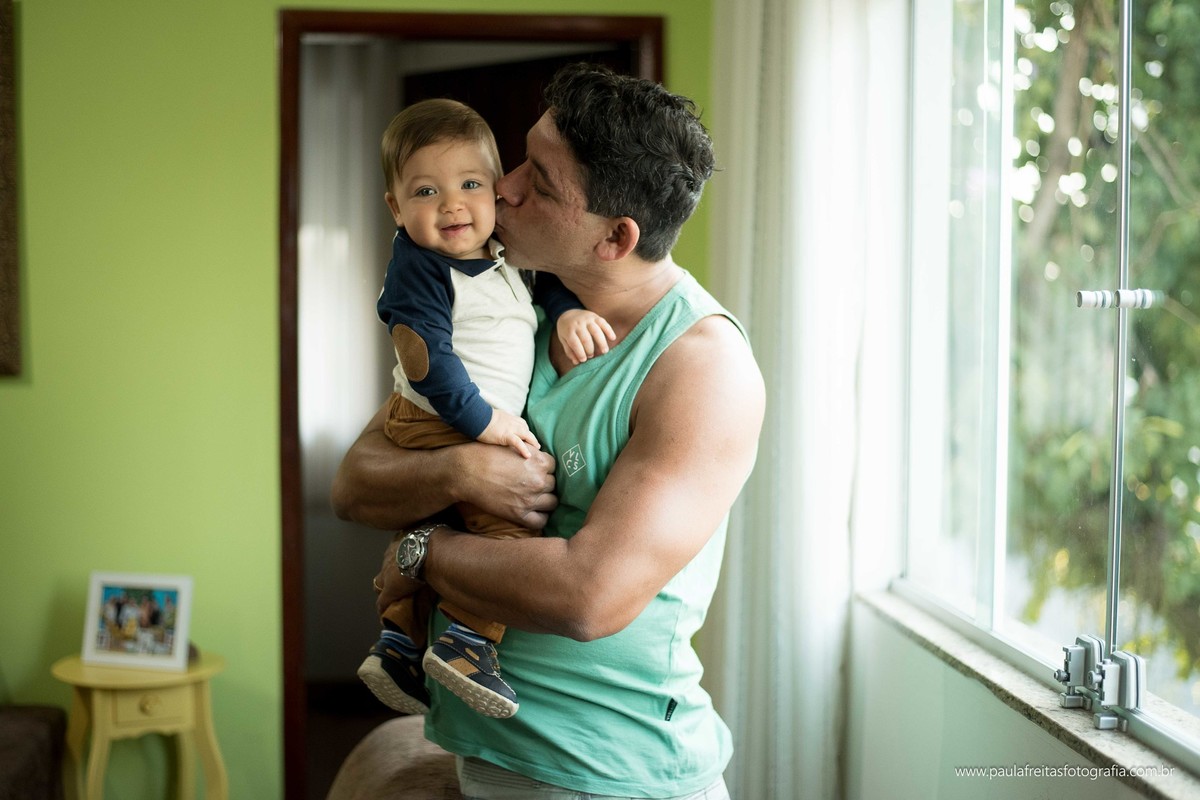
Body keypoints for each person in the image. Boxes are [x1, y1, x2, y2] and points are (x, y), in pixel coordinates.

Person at [333, 62, 764, 799]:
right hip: (492, 755)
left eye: (540, 179)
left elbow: (587, 595)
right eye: (522, 156)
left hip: (607, 775)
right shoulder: (507, 307)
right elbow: (356, 480)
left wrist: (424, 550)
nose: (502, 186)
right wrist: (459, 474)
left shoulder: (700, 368)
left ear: (614, 237)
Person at [357, 97, 616, 721]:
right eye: (426, 190)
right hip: (439, 419)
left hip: (465, 421)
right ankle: (469, 643)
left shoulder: (500, 250)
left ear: (496, 192)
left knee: (435, 524)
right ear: (396, 208)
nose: (451, 204)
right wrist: (485, 424)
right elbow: (426, 359)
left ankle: (398, 642)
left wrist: (570, 310)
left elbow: (542, 282)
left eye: (470, 184)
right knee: (509, 529)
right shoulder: (417, 268)